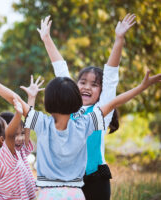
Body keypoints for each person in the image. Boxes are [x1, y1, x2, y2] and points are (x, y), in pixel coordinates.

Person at [0, 60, 161, 200]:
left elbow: (14, 98)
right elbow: (114, 102)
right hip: (75, 194)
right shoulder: (85, 124)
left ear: (48, 102)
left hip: (47, 194)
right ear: (76, 102)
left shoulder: (42, 123)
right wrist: (142, 86)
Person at [37, 14, 136, 199]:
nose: (87, 87)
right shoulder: (68, 110)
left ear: (101, 91)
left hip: (96, 179)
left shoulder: (100, 114)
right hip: (69, 180)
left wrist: (119, 39)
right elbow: (60, 69)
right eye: (82, 82)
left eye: (94, 84)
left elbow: (111, 76)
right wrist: (47, 39)